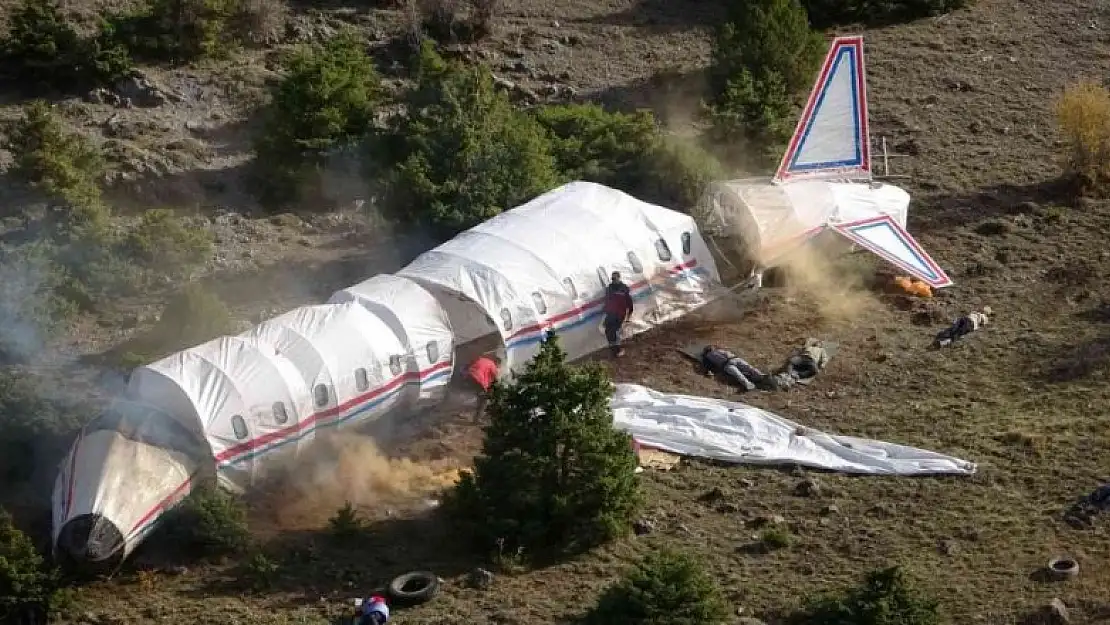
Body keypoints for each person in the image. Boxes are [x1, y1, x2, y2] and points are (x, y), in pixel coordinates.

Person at [700, 345, 766, 392]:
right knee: (740, 373)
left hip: (734, 360)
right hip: (728, 364)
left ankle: (760, 376)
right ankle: (751, 384)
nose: (712, 348)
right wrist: (709, 371)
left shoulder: (719, 350)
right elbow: (708, 365)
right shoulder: (708, 357)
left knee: (747, 369)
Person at [603, 271, 634, 357]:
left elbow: (629, 303)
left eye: (614, 278)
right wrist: (606, 311)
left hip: (620, 314)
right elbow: (607, 301)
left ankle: (618, 349)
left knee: (614, 330)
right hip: (611, 313)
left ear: (619, 278)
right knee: (607, 330)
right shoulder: (609, 289)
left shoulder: (623, 289)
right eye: (612, 278)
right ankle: (614, 349)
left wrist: (628, 316)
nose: (613, 280)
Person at [464, 354, 501, 418]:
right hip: (477, 379)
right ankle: (477, 419)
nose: (498, 367)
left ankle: (474, 413)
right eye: (498, 366)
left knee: (480, 396)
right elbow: (495, 379)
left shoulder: (483, 360)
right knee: (483, 400)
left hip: (468, 377)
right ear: (497, 363)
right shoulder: (492, 365)